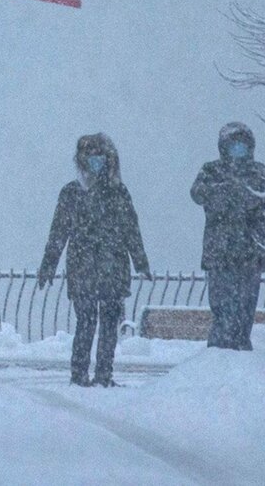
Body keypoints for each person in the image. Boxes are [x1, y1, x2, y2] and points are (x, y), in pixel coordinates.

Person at [38, 133, 152, 387]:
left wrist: (141, 262)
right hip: (86, 269)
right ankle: (80, 374)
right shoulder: (72, 193)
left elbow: (131, 229)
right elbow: (58, 233)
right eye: (91, 157)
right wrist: (48, 266)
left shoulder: (118, 192)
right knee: (87, 322)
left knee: (108, 324)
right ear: (82, 160)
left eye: (100, 157)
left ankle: (103, 374)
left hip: (105, 267)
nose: (96, 162)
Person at [191, 122, 265, 350]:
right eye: (233, 145)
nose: (238, 150)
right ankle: (219, 354)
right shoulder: (212, 171)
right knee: (222, 309)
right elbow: (197, 194)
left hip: (251, 254)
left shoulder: (260, 173)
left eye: (242, 145)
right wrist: (223, 193)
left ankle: (241, 354)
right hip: (219, 253)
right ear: (224, 147)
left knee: (245, 310)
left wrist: (255, 229)